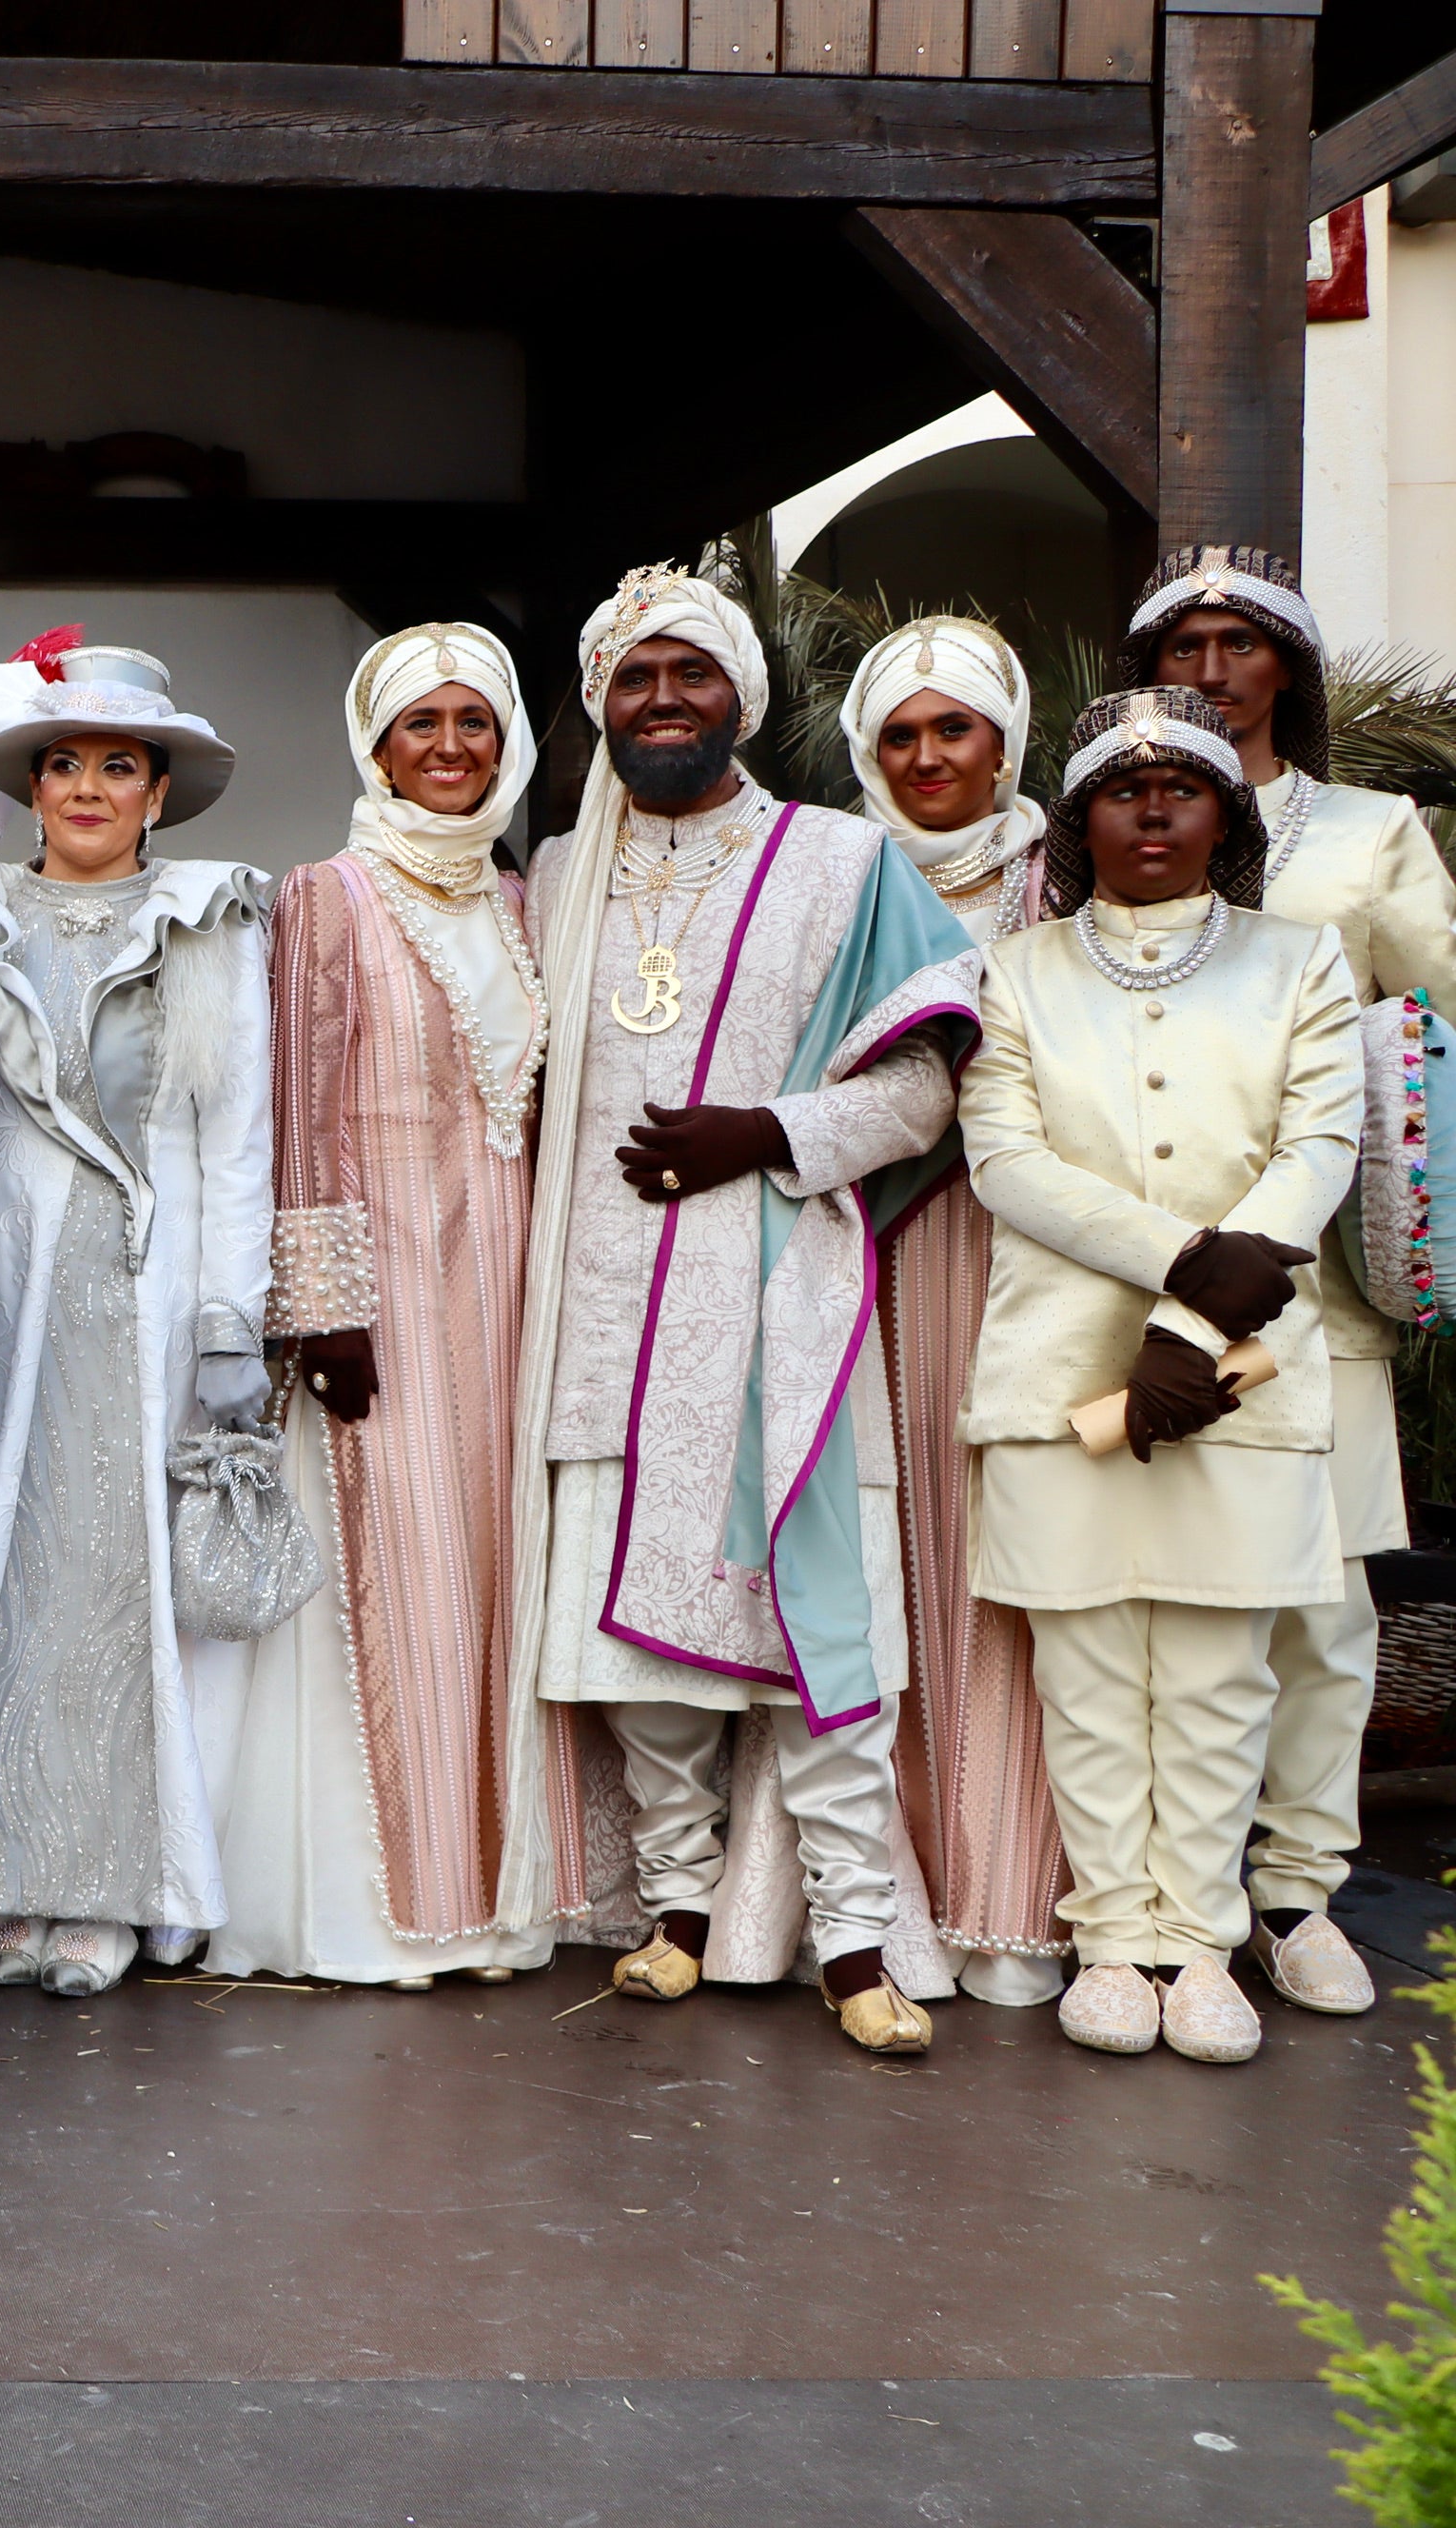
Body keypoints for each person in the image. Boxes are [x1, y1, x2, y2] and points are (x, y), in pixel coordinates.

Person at [504, 567, 976, 2058]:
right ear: (597, 707)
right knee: (636, 1660)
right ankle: (677, 1905)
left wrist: (766, 1135)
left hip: (777, 1302)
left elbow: (924, 1088)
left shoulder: (847, 863)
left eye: (690, 676)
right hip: (594, 1311)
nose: (662, 702)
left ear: (744, 701)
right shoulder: (559, 871)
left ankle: (851, 1931)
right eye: (634, 680)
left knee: (810, 1620)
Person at [0, 632, 272, 2000]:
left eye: (119, 765)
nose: (88, 786)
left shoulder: (213, 924)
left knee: (109, 1577)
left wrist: (227, 1322)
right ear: (31, 785)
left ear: (158, 790)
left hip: (144, 1276)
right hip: (0, 1261)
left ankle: (102, 1884)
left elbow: (235, 1135)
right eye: (64, 763)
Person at [958, 688, 1356, 2063]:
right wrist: (1193, 1261)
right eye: (1120, 794)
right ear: (1077, 823)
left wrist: (1202, 1325)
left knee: (1215, 1676)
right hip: (1057, 1369)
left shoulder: (1302, 962)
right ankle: (1111, 1937)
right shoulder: (1017, 973)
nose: (1150, 811)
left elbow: (1321, 1146)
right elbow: (1006, 1163)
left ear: (1225, 815)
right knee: (1084, 1674)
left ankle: (1201, 1942)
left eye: (1179, 789)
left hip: (1244, 1371)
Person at [1116, 544, 1452, 2019]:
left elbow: (1435, 1025)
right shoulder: (1103, 826)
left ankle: (1298, 1890)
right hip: (1133, 1267)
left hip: (1314, 1288)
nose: (1209, 663)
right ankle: (1152, 1900)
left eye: (1238, 640)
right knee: (1151, 1598)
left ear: (1287, 672)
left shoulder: (1370, 833)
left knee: (1320, 1604)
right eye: (1182, 639)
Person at [225, 622, 576, 1988]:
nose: (447, 748)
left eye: (473, 724)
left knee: (496, 1568)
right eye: (419, 725)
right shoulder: (327, 894)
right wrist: (318, 1307)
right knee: (399, 1571)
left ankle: (503, 1890)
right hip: (380, 1290)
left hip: (509, 1284)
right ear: (372, 748)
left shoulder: (524, 902)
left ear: (509, 746)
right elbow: (298, 1105)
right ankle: (383, 1906)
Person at [835, 618, 1069, 2009]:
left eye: (954, 730)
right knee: (895, 1557)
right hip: (875, 1262)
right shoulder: (843, 881)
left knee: (1017, 1558)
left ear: (1006, 743)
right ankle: (898, 1883)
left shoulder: (1065, 884)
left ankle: (1019, 1890)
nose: (927, 759)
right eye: (900, 736)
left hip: (1035, 1265)